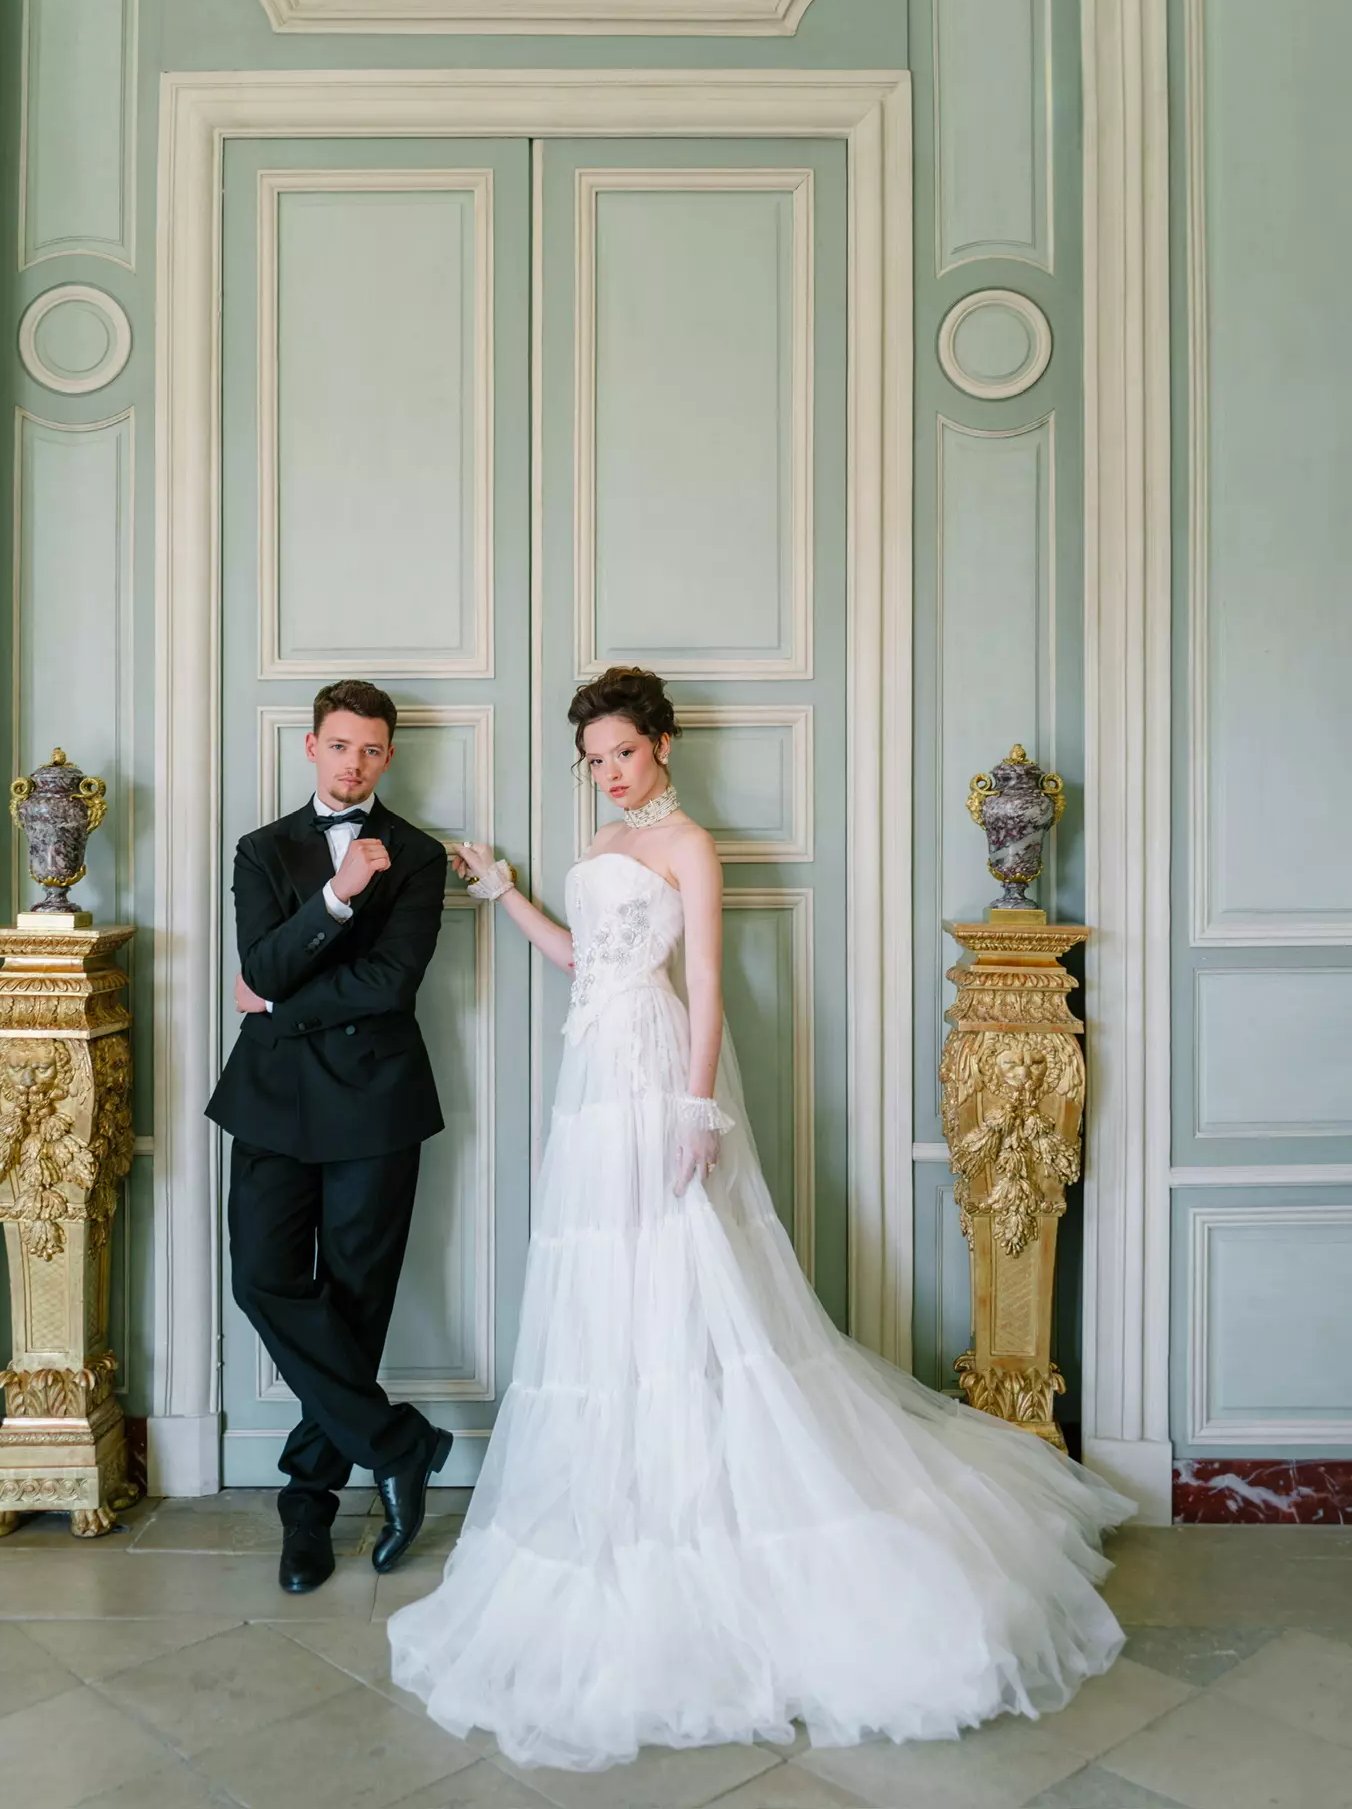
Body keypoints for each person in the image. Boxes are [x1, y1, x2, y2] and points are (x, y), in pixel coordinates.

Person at [387, 665, 1135, 1771]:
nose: (611, 771)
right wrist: (504, 890)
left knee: (685, 1270)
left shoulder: (692, 845)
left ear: (664, 745)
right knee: (605, 1282)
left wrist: (698, 1108)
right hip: (590, 1075)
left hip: (652, 1064)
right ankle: (623, 1484)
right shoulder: (598, 841)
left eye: (625, 753)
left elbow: (708, 989)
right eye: (595, 759)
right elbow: (579, 961)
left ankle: (714, 1501)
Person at [207, 679, 452, 1595]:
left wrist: (276, 1001)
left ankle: (307, 1506)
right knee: (264, 1279)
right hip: (271, 1100)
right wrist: (339, 899)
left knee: (354, 1301)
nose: (355, 764)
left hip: (375, 1105)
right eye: (340, 746)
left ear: (389, 756)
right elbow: (258, 960)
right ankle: (401, 1444)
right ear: (311, 745)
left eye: (372, 750)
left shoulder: (419, 856)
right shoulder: (261, 850)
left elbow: (391, 987)